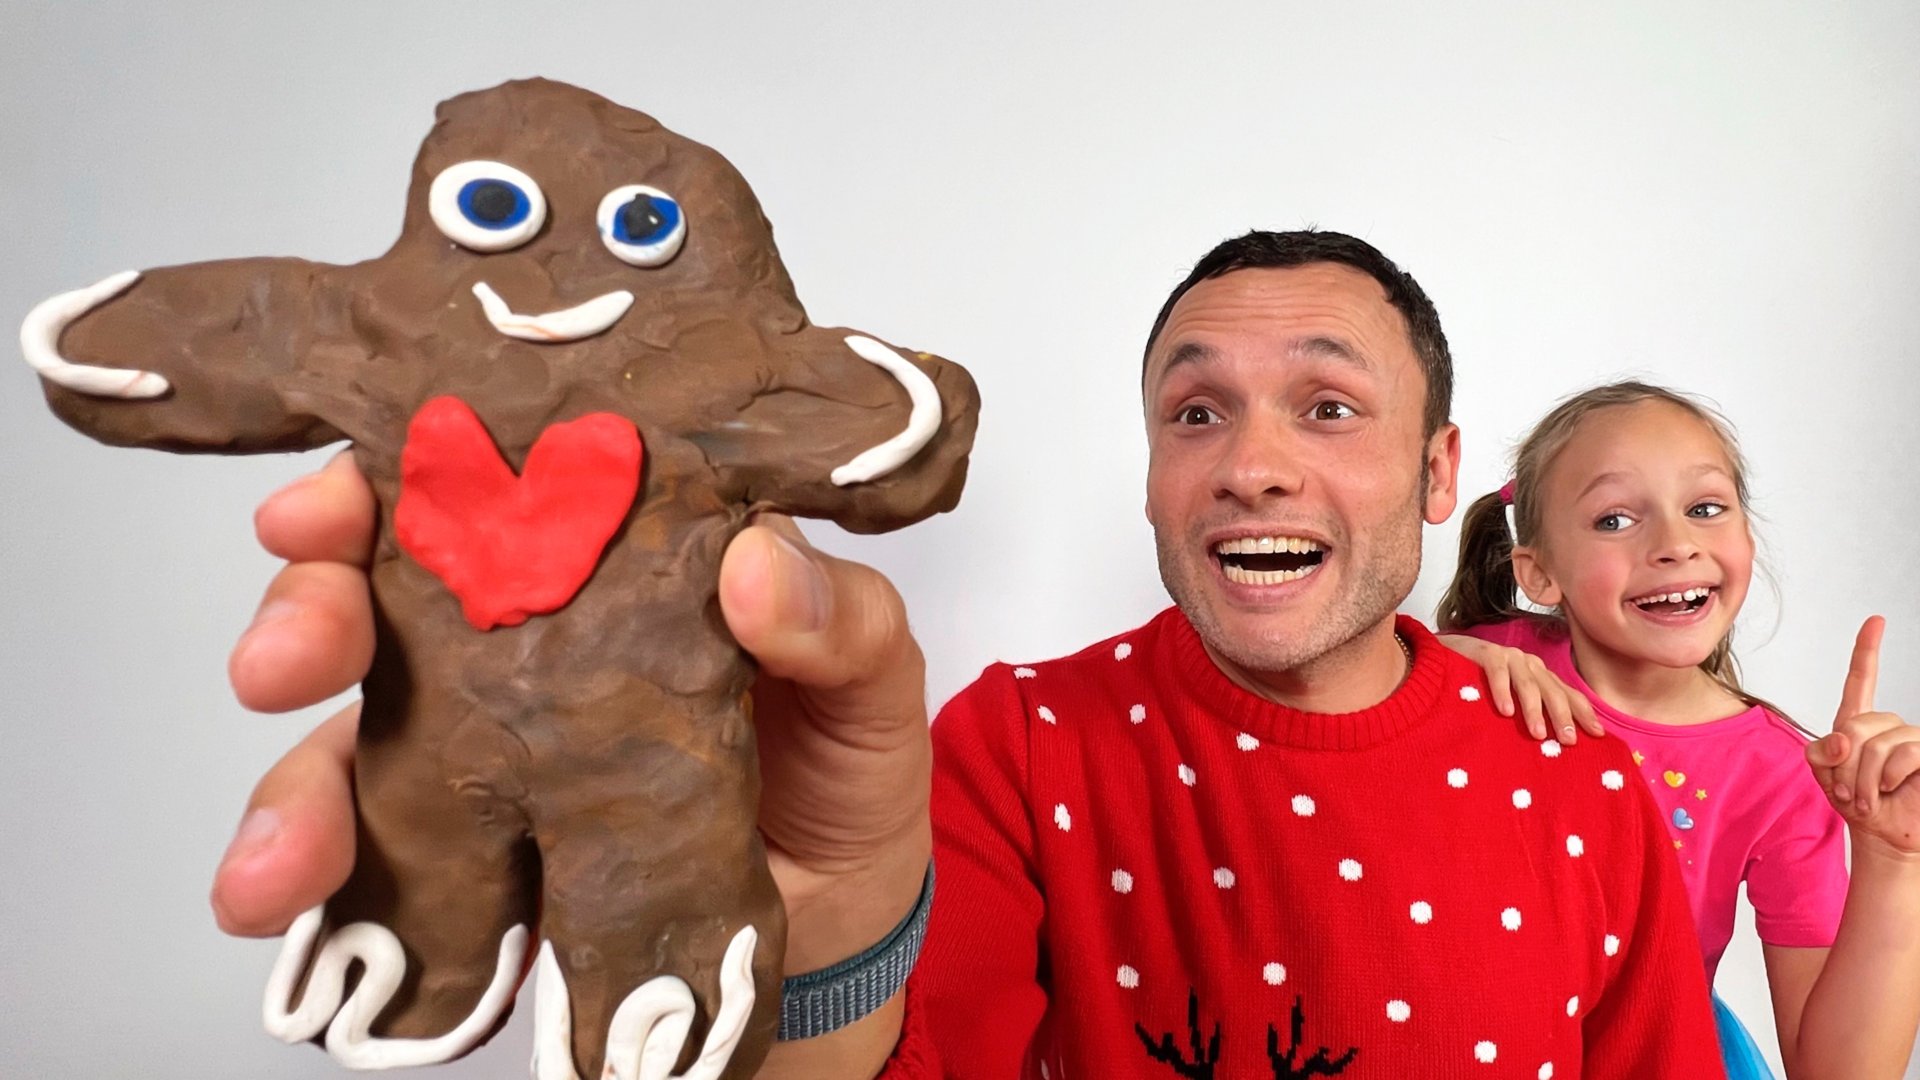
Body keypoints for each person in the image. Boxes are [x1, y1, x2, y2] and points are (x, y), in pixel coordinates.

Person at [211, 231, 1726, 1077]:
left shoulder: (1577, 778)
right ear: (1153, 472)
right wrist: (804, 926)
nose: (1251, 466)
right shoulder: (1019, 748)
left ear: (1439, 471)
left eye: (1328, 409)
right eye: (1196, 413)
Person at [1436, 383, 1920, 1080]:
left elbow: (1837, 1072)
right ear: (1539, 574)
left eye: (1704, 508)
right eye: (1614, 519)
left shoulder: (1782, 772)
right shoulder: (1487, 667)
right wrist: (1436, 658)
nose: (1674, 544)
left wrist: (1894, 861)